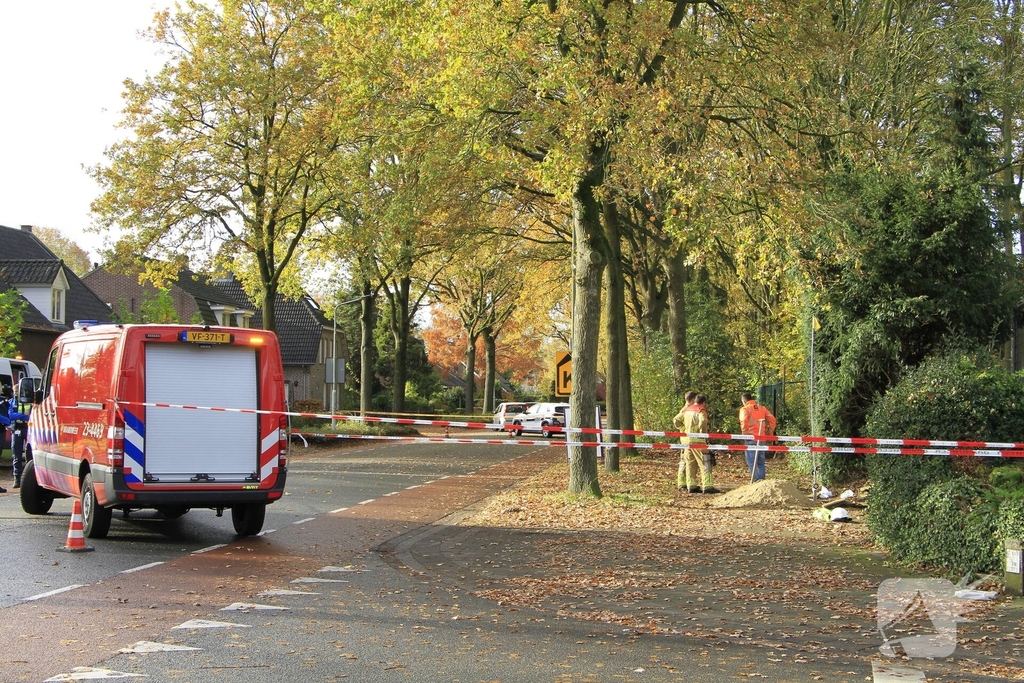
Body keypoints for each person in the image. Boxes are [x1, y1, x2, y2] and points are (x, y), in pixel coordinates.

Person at [673, 392, 716, 493]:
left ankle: (691, 485)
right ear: (703, 403)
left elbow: (676, 420)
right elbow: (703, 422)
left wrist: (684, 429)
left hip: (686, 440)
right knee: (705, 462)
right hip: (698, 440)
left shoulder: (686, 410)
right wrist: (703, 433)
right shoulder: (701, 410)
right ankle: (707, 486)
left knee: (690, 463)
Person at [739, 391, 776, 483]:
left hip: (751, 438)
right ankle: (762, 483)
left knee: (752, 462)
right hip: (761, 438)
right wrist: (770, 430)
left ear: (744, 401)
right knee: (760, 462)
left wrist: (744, 432)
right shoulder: (762, 408)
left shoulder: (745, 409)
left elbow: (743, 420)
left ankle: (755, 482)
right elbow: (772, 418)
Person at [3, 384, 30, 489]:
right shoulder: (11, 402)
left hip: (27, 429)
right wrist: (24, 416)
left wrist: (25, 416)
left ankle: (28, 478)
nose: (16, 394)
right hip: (17, 430)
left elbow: (32, 414)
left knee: (29, 455)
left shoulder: (28, 401)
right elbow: (11, 415)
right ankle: (17, 478)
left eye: (18, 392)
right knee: (16, 456)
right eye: (15, 392)